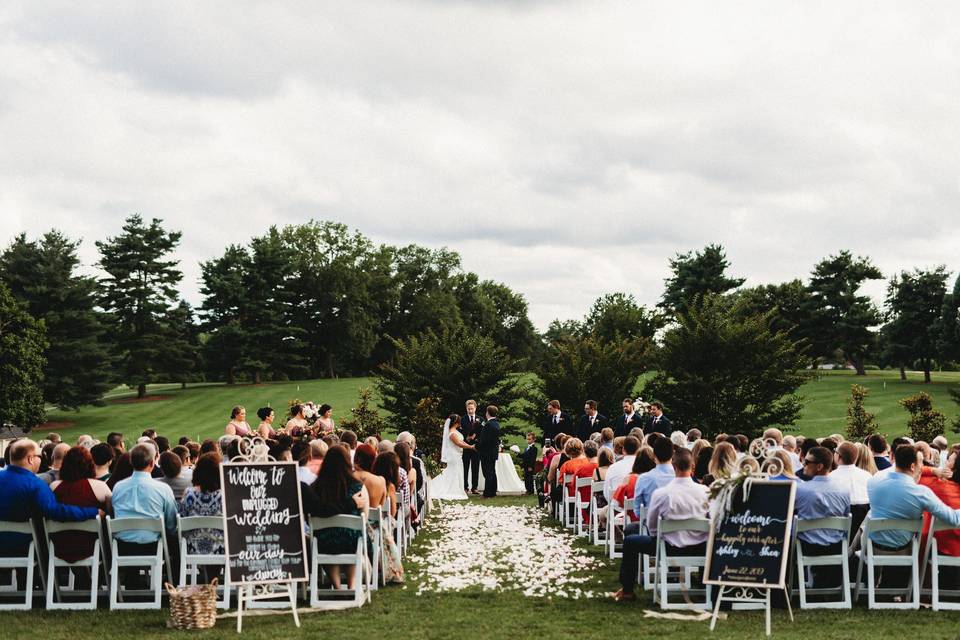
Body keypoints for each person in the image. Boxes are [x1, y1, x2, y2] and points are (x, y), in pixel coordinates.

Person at [613, 449, 709, 601]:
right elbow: (712, 522)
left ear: (674, 466)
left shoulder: (662, 493)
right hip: (700, 548)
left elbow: (651, 527)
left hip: (668, 547)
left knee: (630, 541)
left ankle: (627, 590)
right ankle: (706, 585)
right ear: (693, 466)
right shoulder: (706, 492)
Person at [867, 444, 960, 587]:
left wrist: (933, 470)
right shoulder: (921, 493)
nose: (922, 467)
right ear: (912, 466)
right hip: (904, 549)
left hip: (872, 546)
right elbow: (953, 519)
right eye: (921, 463)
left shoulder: (874, 481)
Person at [306, 446, 369, 590]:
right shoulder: (358, 487)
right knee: (352, 534)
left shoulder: (315, 487)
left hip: (324, 543)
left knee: (328, 537)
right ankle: (351, 584)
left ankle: (337, 585)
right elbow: (364, 517)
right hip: (351, 542)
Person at [795, 446, 850, 587]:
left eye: (807, 462)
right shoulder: (843, 490)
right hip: (836, 545)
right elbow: (845, 517)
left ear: (819, 466)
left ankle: (791, 584)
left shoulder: (800, 489)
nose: (803, 465)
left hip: (807, 547)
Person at [110, 444, 178, 557]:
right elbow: (171, 523)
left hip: (123, 546)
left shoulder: (118, 487)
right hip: (152, 546)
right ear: (152, 463)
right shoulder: (163, 488)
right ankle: (174, 574)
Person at [178, 452, 224, 556]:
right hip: (221, 549)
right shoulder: (226, 496)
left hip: (192, 549)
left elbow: (181, 518)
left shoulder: (188, 494)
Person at [832, 442, 872, 536]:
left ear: (838, 456)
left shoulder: (830, 478)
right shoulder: (867, 476)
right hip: (862, 531)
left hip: (839, 533)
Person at [430, 414, 474, 500]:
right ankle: (452, 490)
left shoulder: (454, 431)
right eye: (459, 422)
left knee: (455, 471)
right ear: (456, 423)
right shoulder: (452, 433)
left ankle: (455, 489)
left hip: (457, 454)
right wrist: (470, 447)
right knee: (453, 471)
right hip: (453, 455)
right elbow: (458, 443)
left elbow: (462, 442)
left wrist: (470, 445)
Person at [632, 437, 676, 518]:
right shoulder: (681, 479)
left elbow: (638, 512)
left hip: (651, 528)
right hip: (677, 528)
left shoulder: (644, 479)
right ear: (673, 454)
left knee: (630, 528)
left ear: (654, 455)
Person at [603, 435, 640, 501]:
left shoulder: (613, 468)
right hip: (640, 508)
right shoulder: (645, 466)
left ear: (623, 450)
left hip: (617, 508)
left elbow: (606, 494)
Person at [461, 399, 483, 495]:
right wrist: (467, 437)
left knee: (475, 467)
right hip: (465, 446)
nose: (470, 411)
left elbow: (483, 432)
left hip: (476, 447)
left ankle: (475, 487)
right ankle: (465, 487)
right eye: (468, 409)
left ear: (475, 408)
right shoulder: (463, 419)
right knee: (465, 467)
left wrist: (476, 439)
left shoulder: (480, 419)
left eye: (471, 409)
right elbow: (460, 431)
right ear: (466, 409)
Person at [479, 405, 501, 498]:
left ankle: (487, 493)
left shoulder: (488, 424)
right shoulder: (496, 423)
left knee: (487, 472)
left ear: (487, 413)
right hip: (493, 452)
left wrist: (476, 446)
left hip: (486, 452)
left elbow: (484, 440)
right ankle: (493, 491)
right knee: (492, 471)